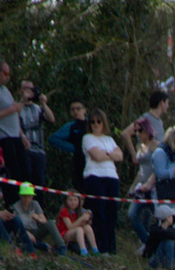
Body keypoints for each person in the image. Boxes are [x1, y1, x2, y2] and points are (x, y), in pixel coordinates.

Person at [81, 109, 122, 254]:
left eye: (99, 121)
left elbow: (120, 155)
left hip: (111, 177)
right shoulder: (87, 138)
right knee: (99, 212)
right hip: (94, 176)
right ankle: (102, 248)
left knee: (112, 213)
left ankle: (112, 249)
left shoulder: (109, 139)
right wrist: (110, 154)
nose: (96, 124)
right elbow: (96, 156)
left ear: (103, 123)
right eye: (93, 122)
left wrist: (106, 154)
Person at [0, 61, 26, 205]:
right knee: (11, 172)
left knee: (22, 171)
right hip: (4, 138)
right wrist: (11, 110)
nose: (8, 77)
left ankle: (24, 205)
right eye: (6, 73)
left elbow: (14, 112)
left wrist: (22, 135)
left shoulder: (5, 90)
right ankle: (12, 204)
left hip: (16, 137)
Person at [16, 80, 54, 188]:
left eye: (31, 89)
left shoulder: (38, 108)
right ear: (20, 91)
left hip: (39, 150)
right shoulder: (17, 106)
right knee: (26, 182)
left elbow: (51, 119)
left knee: (39, 183)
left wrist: (43, 103)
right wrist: (23, 100)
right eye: (26, 89)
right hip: (24, 150)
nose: (29, 92)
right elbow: (14, 122)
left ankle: (38, 204)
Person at [47, 99, 89, 191]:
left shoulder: (91, 123)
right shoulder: (71, 126)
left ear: (84, 110)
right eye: (72, 109)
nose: (75, 111)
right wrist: (73, 148)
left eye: (78, 108)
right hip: (80, 162)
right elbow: (53, 139)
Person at [15, 184, 65, 253]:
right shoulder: (15, 207)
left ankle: (61, 246)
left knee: (50, 223)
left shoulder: (35, 204)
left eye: (29, 196)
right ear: (20, 196)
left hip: (35, 231)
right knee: (23, 238)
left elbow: (44, 221)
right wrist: (25, 232)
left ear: (32, 197)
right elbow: (15, 225)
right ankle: (39, 246)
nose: (27, 199)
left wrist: (38, 218)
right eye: (24, 196)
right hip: (23, 232)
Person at [56, 189, 97, 254]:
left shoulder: (79, 211)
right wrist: (81, 219)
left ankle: (95, 249)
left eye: (75, 200)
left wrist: (86, 219)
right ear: (66, 201)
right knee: (79, 229)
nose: (73, 202)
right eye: (70, 200)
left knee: (87, 227)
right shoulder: (64, 210)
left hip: (75, 233)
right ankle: (83, 251)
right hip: (64, 234)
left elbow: (81, 224)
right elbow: (69, 227)